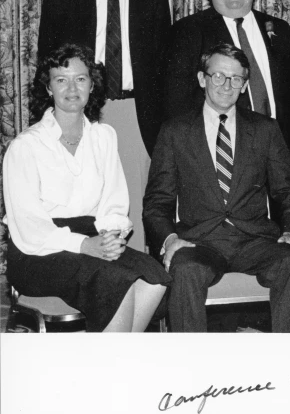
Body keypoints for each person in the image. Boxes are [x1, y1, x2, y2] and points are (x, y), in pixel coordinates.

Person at [3, 44, 170, 332]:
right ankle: (108, 369)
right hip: (37, 251)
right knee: (115, 281)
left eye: (80, 79)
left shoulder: (103, 136)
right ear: (48, 88)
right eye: (61, 80)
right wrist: (84, 246)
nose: (71, 88)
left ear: (92, 85)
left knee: (154, 276)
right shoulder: (26, 146)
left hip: (92, 236)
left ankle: (115, 361)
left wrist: (111, 237)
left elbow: (114, 202)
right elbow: (30, 227)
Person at [144, 43, 290, 332]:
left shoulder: (265, 129)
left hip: (254, 239)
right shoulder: (175, 131)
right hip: (200, 240)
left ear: (244, 85)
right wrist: (169, 240)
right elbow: (157, 201)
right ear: (202, 79)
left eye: (236, 79)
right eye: (218, 76)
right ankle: (190, 370)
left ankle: (288, 365)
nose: (226, 85)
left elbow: (287, 192)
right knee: (185, 268)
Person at [37, 0, 172, 252]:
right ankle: (91, 283)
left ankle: (142, 289)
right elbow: (46, 63)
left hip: (136, 113)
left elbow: (163, 64)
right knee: (84, 202)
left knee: (138, 205)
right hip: (80, 110)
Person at [164, 0, 290, 172]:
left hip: (281, 149)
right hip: (220, 153)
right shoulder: (188, 31)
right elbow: (177, 101)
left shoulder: (278, 29)